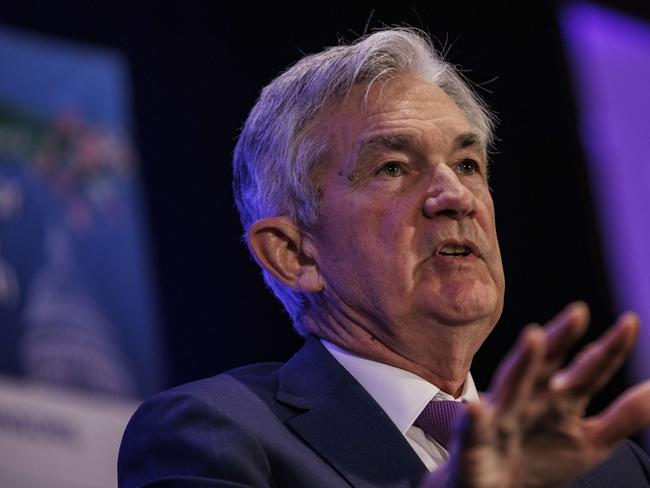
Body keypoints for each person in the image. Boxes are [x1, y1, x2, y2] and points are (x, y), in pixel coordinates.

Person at [118, 28, 650, 487]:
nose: (455, 196)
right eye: (393, 167)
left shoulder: (615, 469)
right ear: (293, 253)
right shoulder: (217, 435)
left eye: (466, 165)